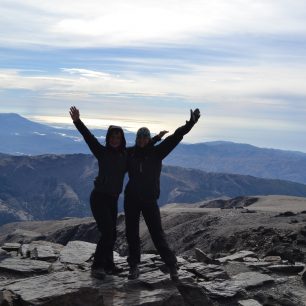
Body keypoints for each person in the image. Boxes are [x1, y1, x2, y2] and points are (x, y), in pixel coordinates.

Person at [69, 106, 167, 279]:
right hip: (99, 197)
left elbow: (142, 147)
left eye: (118, 136)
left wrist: (157, 138)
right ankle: (97, 266)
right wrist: (77, 121)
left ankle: (109, 265)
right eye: (112, 137)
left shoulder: (126, 154)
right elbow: (88, 137)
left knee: (112, 234)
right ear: (108, 138)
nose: (115, 139)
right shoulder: (102, 152)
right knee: (107, 232)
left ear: (121, 139)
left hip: (113, 199)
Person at [124, 108, 201, 282]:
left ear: (148, 139)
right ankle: (133, 266)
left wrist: (190, 124)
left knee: (157, 234)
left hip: (149, 200)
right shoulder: (130, 153)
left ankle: (172, 265)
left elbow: (175, 137)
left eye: (145, 137)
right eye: (139, 137)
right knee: (132, 234)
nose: (142, 140)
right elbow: (113, 154)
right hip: (131, 200)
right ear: (136, 139)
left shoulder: (157, 153)